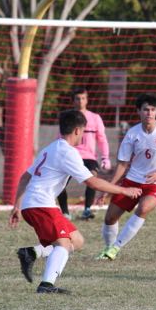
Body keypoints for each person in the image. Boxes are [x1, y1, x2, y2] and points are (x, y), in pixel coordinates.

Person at [9, 110, 141, 294]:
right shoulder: (67, 152)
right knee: (63, 245)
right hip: (42, 205)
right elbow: (91, 181)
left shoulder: (50, 148)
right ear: (78, 131)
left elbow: (24, 177)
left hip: (34, 205)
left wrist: (17, 206)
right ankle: (46, 285)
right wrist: (123, 190)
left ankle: (31, 253)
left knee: (76, 241)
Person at [95, 93, 156, 260]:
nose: (149, 113)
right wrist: (108, 189)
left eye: (153, 110)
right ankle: (107, 249)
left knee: (143, 208)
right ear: (138, 111)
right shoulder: (132, 134)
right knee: (110, 217)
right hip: (132, 181)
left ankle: (115, 249)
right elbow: (122, 164)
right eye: (145, 110)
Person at [57, 87, 111, 221]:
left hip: (88, 157)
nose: (80, 101)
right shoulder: (67, 117)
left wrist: (105, 157)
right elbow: (60, 137)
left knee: (92, 178)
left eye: (83, 98)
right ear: (73, 101)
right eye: (77, 98)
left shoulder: (95, 118)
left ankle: (87, 210)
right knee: (59, 182)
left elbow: (102, 139)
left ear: (87, 100)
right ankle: (65, 212)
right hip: (69, 155)